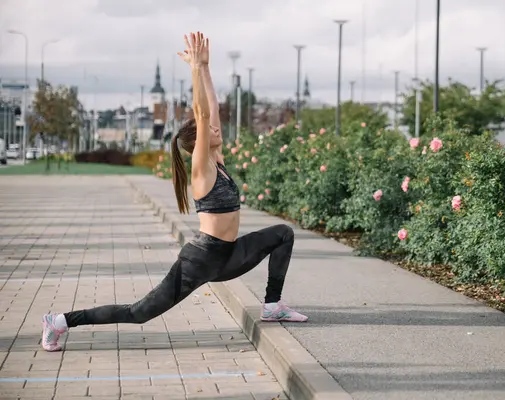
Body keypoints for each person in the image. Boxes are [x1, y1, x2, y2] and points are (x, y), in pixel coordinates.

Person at [41, 31, 307, 352]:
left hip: (230, 255)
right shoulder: (202, 168)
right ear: (198, 143)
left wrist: (206, 68)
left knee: (282, 233)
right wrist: (194, 69)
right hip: (201, 260)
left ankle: (272, 305)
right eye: (209, 130)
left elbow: (212, 111)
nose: (216, 129)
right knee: (139, 313)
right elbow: (202, 111)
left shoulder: (216, 159)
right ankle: (59, 322)